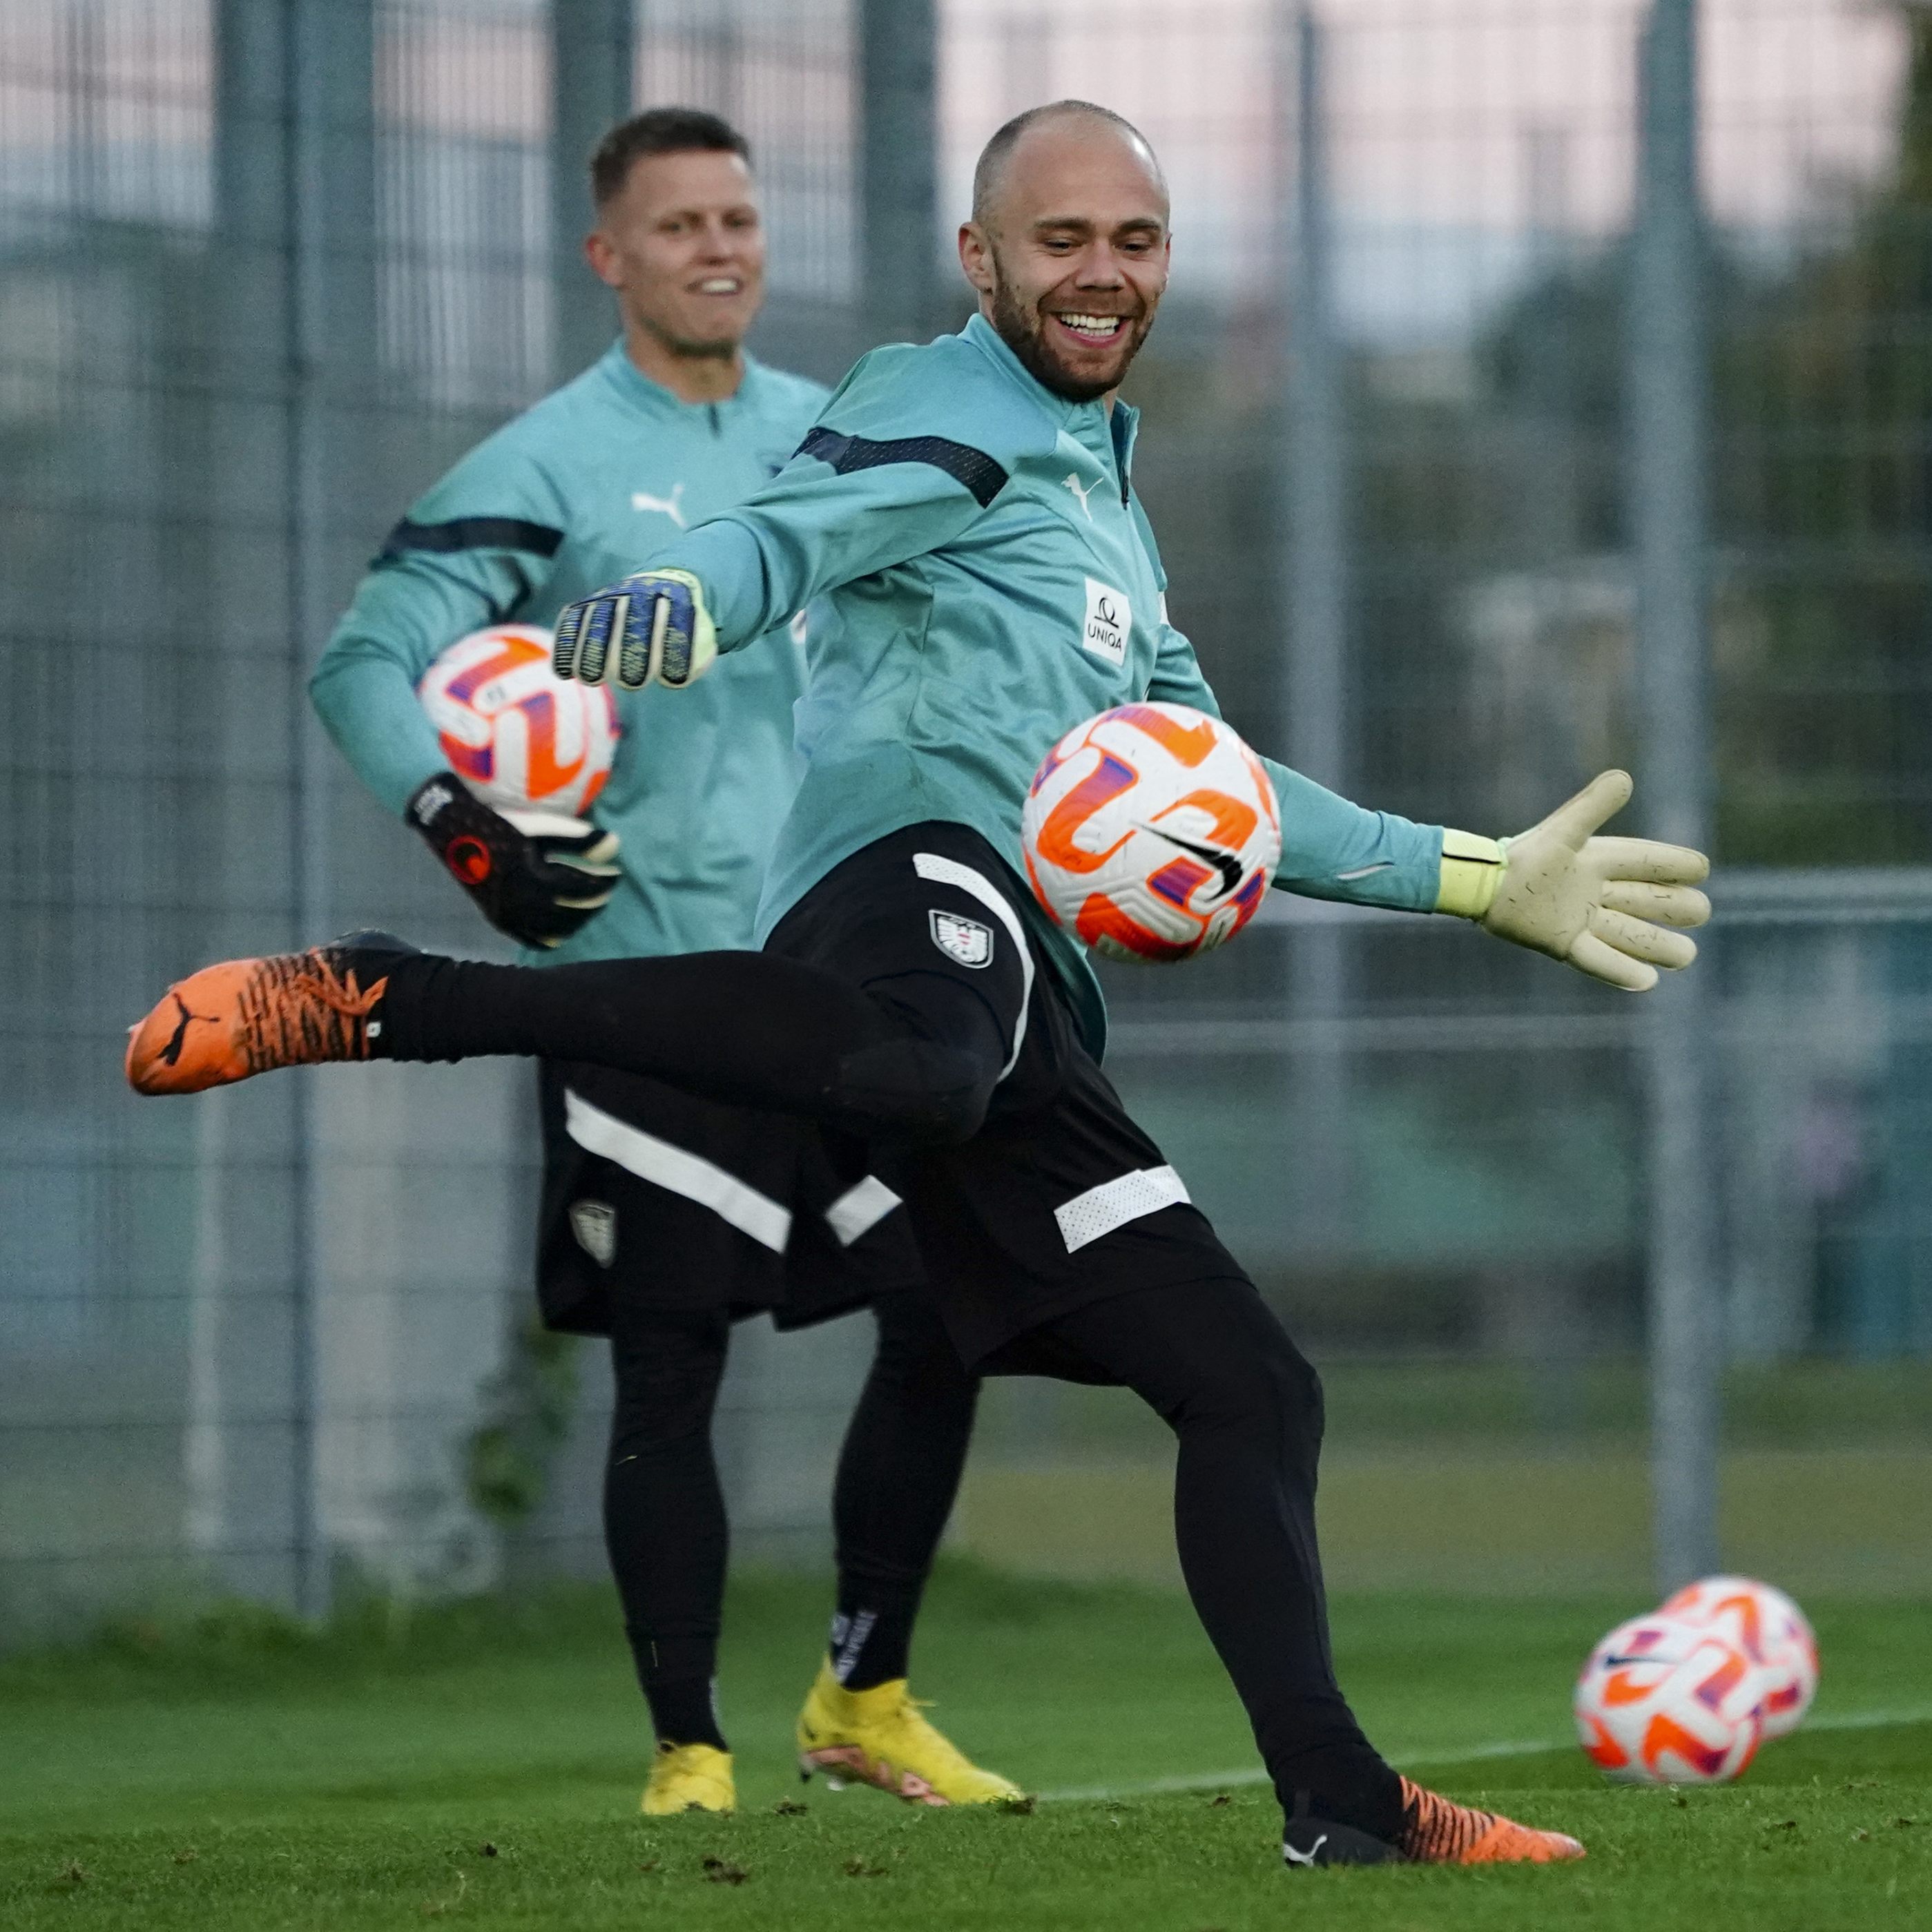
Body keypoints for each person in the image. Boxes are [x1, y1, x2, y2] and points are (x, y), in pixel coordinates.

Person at [130, 102, 1710, 1868]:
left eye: (1134, 239)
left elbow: (1219, 783)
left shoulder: (1107, 491)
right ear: (983, 259)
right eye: (1059, 240)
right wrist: (694, 594)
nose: (1100, 271)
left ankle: (1338, 1802)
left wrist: (1480, 874)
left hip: (1018, 991)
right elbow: (806, 525)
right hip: (903, 886)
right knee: (884, 1119)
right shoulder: (941, 396)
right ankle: (395, 994)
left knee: (1249, 1383)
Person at [300, 106, 1017, 1817]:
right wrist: (468, 829)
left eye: (740, 219)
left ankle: (865, 1692)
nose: (720, 247)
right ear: (608, 257)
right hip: (646, 991)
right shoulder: (544, 467)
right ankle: (687, 1753)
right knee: (668, 1358)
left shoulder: (835, 440)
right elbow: (364, 658)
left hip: (829, 984)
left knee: (946, 1307)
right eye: (680, 222)